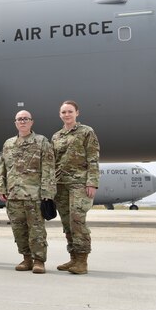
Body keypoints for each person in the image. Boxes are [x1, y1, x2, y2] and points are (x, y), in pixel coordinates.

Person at [0, 110, 56, 274]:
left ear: (31, 122)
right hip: (14, 195)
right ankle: (26, 258)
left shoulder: (41, 141)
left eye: (25, 119)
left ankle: (39, 261)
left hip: (34, 195)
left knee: (36, 230)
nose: (22, 122)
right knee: (19, 230)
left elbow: (49, 168)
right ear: (15, 123)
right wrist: (1, 188)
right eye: (19, 119)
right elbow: (2, 169)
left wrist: (47, 192)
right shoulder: (8, 144)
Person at [52, 100, 100, 275]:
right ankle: (73, 258)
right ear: (60, 114)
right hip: (61, 184)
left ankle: (82, 261)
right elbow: (54, 162)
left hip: (80, 183)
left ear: (77, 113)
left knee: (77, 220)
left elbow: (93, 157)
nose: (67, 115)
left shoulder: (86, 132)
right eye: (63, 112)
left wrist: (92, 182)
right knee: (67, 223)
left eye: (70, 111)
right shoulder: (56, 136)